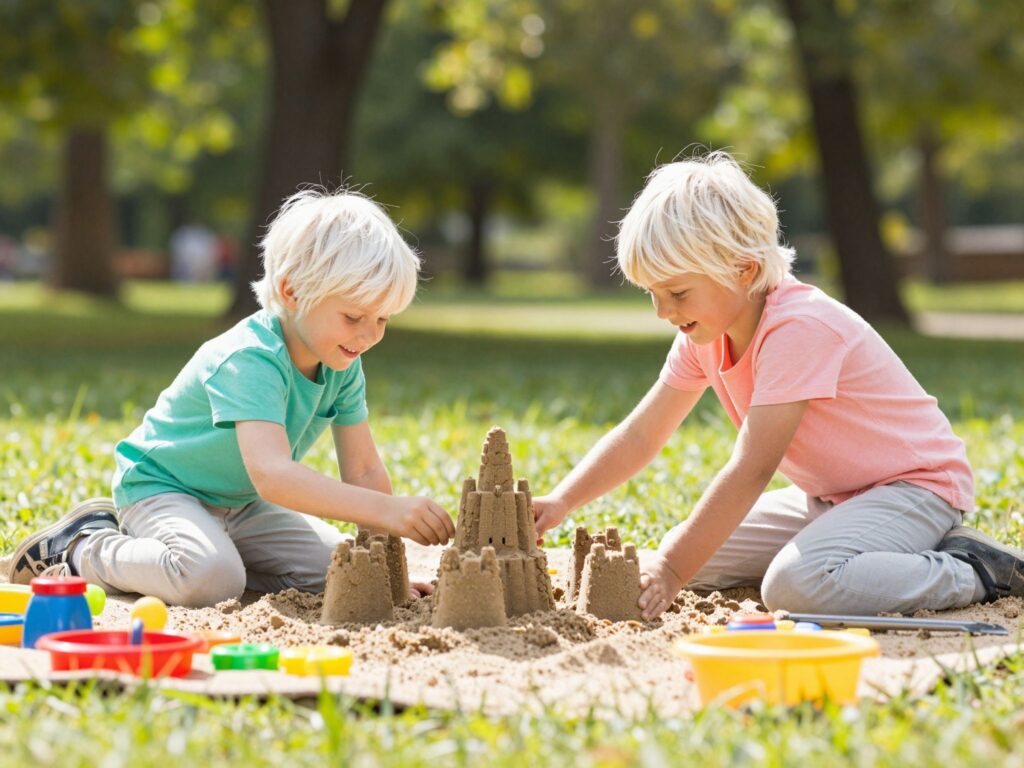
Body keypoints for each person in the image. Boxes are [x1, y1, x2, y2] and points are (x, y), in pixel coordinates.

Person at [533, 151, 1024, 620]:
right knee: (690, 554)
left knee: (794, 585)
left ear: (743, 269)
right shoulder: (705, 334)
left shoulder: (797, 328)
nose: (663, 311)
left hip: (915, 489)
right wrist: (562, 500)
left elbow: (751, 469)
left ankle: (976, 569)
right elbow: (642, 434)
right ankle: (869, 551)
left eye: (677, 292)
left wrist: (671, 571)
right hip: (833, 497)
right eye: (652, 294)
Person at [10, 189, 455, 606]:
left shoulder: (342, 362)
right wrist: (387, 510)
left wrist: (386, 574)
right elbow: (273, 476)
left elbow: (364, 470)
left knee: (344, 570)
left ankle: (219, 553)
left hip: (240, 503)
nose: (369, 335)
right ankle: (82, 548)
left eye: (382, 319)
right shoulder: (251, 358)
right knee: (211, 579)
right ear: (291, 292)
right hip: (164, 489)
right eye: (354, 316)